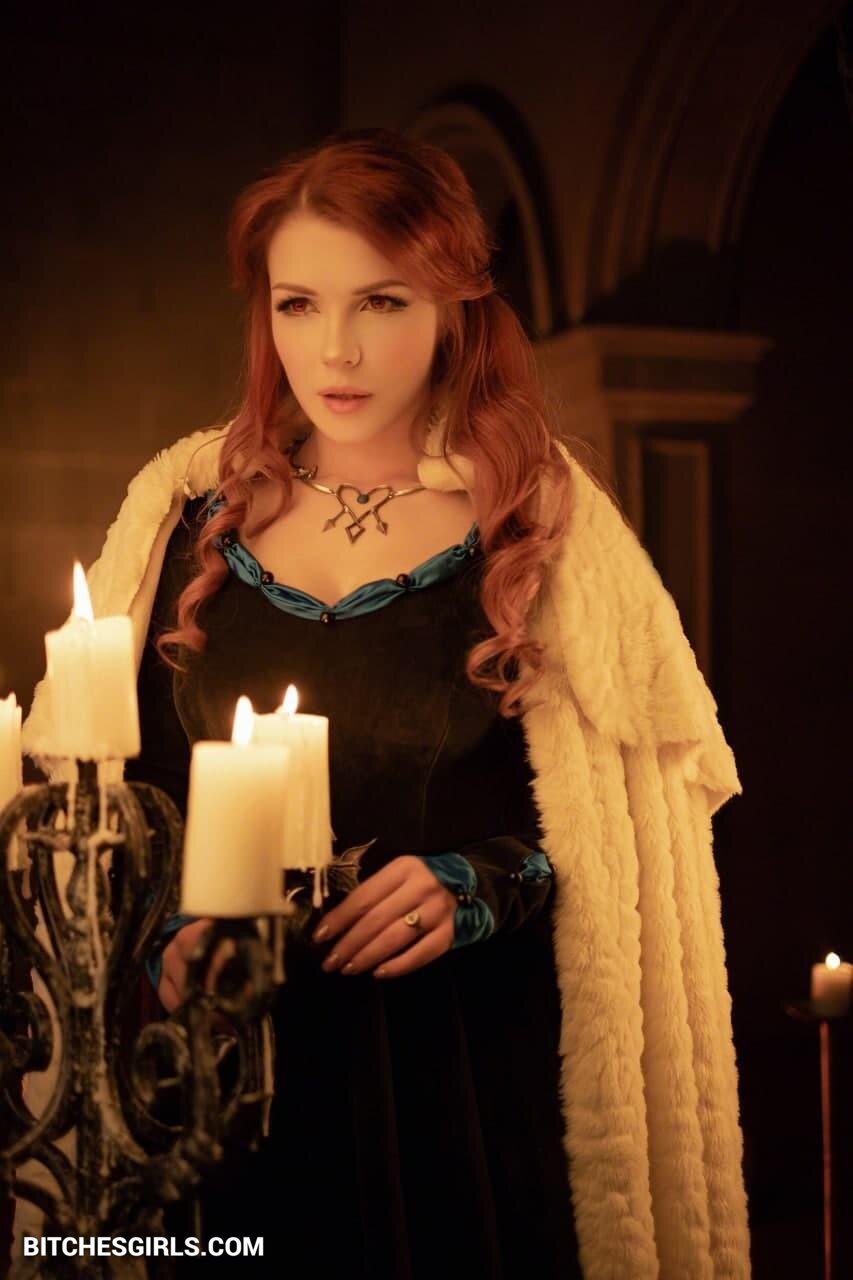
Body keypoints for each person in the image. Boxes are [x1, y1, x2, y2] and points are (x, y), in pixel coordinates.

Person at [21, 127, 751, 1277]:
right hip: (226, 1073)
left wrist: (481, 885)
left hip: (458, 1072)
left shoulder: (545, 524)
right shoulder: (182, 515)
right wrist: (169, 932)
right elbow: (123, 797)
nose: (338, 348)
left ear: (452, 305)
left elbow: (631, 822)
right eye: (299, 304)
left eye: (382, 301)